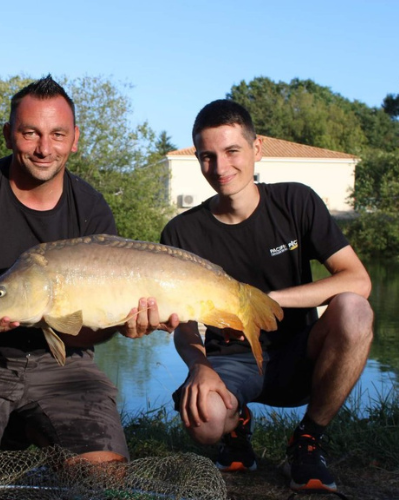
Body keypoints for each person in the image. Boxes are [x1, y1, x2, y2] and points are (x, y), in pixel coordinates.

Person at [0, 75, 174, 485]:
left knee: (102, 479)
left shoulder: (90, 208)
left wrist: (121, 325)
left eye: (57, 134)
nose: (44, 148)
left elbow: (86, 338)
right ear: (8, 135)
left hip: (64, 365)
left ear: (74, 139)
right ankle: (7, 429)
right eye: (30, 133)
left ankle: (22, 429)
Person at [160, 99, 373, 493]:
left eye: (231, 151)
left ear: (256, 150)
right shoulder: (181, 234)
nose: (220, 168)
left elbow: (358, 280)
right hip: (231, 362)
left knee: (354, 310)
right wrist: (198, 365)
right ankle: (235, 427)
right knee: (205, 423)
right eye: (207, 157)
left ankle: (308, 440)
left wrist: (266, 301)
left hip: (298, 355)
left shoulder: (296, 202)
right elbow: (183, 322)